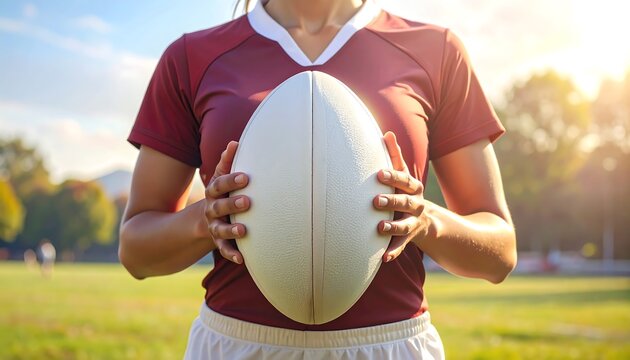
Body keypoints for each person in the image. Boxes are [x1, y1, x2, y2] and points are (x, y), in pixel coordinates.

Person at [119, 0, 517, 358]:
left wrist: (425, 219)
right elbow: (136, 250)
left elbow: (499, 253)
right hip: (237, 346)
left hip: (390, 346)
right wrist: (205, 219)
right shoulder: (191, 57)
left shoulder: (436, 49)